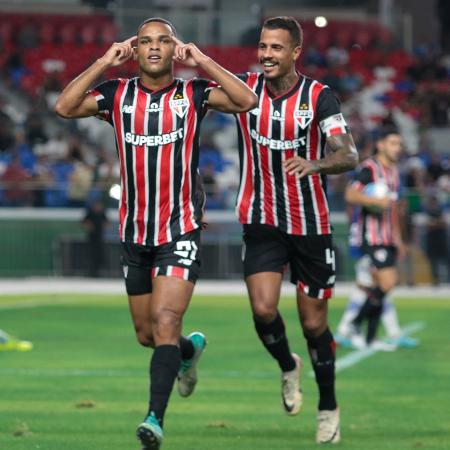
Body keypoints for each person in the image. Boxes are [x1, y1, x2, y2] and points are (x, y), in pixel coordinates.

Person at [55, 17, 257, 450]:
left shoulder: (193, 93)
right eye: (144, 41)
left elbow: (246, 99)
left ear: (173, 49)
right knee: (148, 335)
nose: (152, 48)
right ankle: (188, 352)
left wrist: (201, 59)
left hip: (180, 227)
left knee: (166, 322)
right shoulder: (116, 95)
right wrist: (103, 62)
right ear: (134, 49)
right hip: (134, 231)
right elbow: (65, 106)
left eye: (162, 41)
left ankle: (154, 420)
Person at [233, 17, 358, 444]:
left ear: (295, 52)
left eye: (276, 48)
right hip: (261, 218)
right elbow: (198, 95)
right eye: (263, 46)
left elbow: (348, 153)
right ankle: (288, 365)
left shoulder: (320, 97)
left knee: (313, 324)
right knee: (263, 310)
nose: (267, 54)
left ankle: (328, 405)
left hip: (310, 225)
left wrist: (317, 163)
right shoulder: (243, 89)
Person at [344, 126, 406, 350]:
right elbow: (351, 193)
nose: (397, 148)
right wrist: (375, 202)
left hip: (388, 237)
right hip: (371, 236)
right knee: (387, 282)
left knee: (382, 286)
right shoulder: (369, 168)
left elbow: (394, 210)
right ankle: (355, 325)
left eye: (399, 144)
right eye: (393, 143)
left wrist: (398, 239)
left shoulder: (394, 172)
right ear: (381, 144)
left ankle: (369, 337)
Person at [81, 197, 109, 277]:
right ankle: (90, 271)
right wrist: (89, 226)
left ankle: (99, 271)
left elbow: (107, 223)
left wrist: (104, 226)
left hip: (100, 238)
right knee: (91, 254)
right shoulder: (90, 213)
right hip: (91, 238)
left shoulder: (102, 213)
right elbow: (83, 221)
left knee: (100, 255)